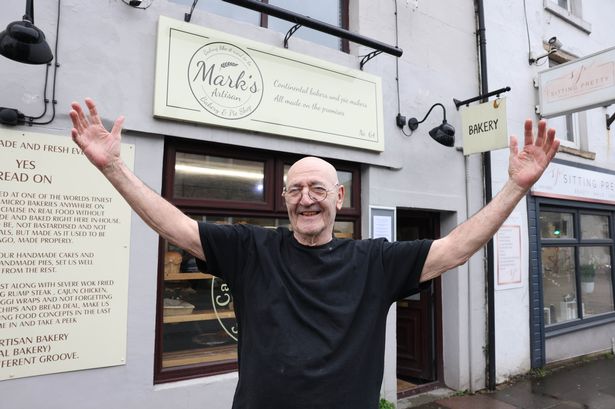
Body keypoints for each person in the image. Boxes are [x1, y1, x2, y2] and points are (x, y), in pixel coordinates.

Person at [69, 98, 559, 409]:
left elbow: (456, 247)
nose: (307, 197)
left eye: (318, 188)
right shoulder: (250, 249)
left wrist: (514, 188)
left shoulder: (375, 262)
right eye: (296, 188)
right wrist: (114, 168)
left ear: (339, 198)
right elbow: (173, 224)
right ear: (284, 199)